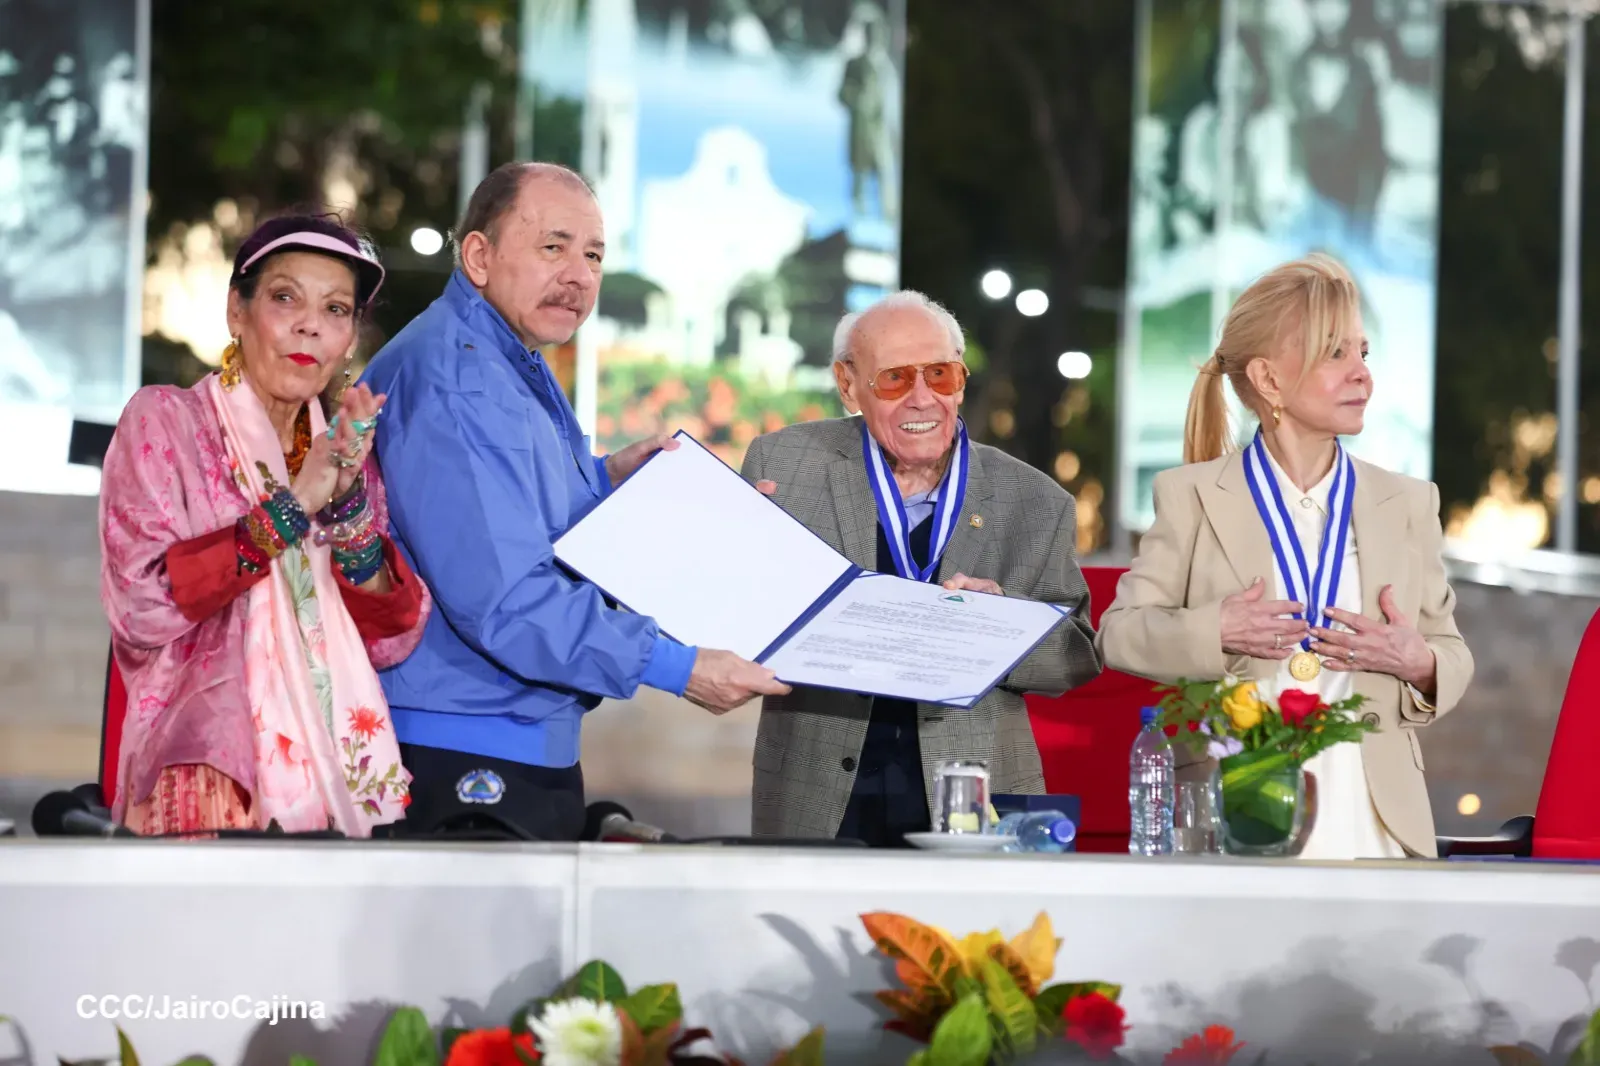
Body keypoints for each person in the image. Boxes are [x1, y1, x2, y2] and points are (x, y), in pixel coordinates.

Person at [362, 161, 789, 842]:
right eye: (553, 247)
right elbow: (505, 600)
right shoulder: (460, 377)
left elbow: (512, 511)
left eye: (593, 255)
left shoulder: (502, 356)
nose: (579, 275)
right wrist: (679, 667)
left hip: (505, 732)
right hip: (468, 747)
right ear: (479, 255)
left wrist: (610, 483)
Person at [1095, 253, 1472, 859]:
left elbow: (1451, 654)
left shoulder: (1407, 503)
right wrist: (1213, 630)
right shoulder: (1190, 495)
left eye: (1364, 353)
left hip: (1376, 818)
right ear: (1268, 379)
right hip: (1235, 807)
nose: (1362, 376)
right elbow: (1117, 635)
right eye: (1335, 354)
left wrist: (1419, 660)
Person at [99, 214, 431, 838]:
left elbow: (391, 638)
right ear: (236, 311)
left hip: (333, 776)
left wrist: (349, 502)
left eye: (336, 309)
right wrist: (291, 507)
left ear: (351, 335)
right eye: (285, 297)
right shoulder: (164, 423)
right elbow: (143, 604)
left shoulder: (341, 452)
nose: (310, 324)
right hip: (204, 775)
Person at [739, 291, 1101, 846]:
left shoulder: (1033, 500)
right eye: (894, 379)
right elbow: (737, 604)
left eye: (940, 374)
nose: (922, 398)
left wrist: (1001, 623)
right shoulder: (785, 467)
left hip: (972, 795)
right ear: (847, 384)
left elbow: (1074, 660)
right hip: (815, 789)